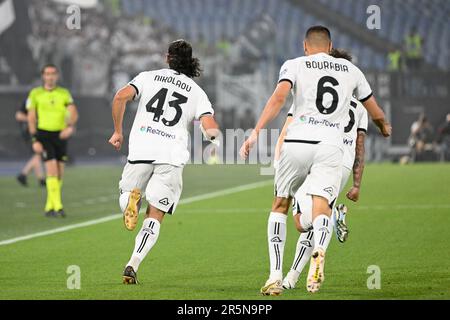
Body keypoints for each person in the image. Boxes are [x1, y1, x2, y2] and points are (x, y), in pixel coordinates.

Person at [240, 26, 391, 295]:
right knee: (323, 210)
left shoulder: (295, 65)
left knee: (280, 206)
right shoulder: (352, 72)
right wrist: (383, 125)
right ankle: (319, 250)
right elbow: (374, 109)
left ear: (305, 46)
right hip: (331, 148)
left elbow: (279, 98)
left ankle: (275, 276)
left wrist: (255, 132)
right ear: (330, 45)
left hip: (298, 143)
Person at [108, 39, 219, 284]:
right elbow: (209, 126)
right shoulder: (197, 92)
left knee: (127, 194)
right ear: (191, 61)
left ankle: (131, 202)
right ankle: (132, 263)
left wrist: (118, 131)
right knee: (156, 213)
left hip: (142, 149)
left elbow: (119, 97)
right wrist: (212, 136)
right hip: (170, 155)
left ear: (167, 57)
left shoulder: (148, 77)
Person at [278, 49, 369, 290]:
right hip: (342, 165)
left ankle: (293, 273)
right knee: (319, 219)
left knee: (300, 223)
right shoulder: (361, 108)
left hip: (316, 155)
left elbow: (288, 128)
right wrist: (357, 184)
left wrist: (280, 161)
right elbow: (360, 147)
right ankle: (294, 277)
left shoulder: (313, 93)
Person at [27, 64, 78, 217]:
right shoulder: (35, 93)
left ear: (57, 76)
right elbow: (31, 117)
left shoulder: (64, 93)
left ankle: (49, 207)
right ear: (43, 76)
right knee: (52, 169)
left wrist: (70, 127)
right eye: (47, 73)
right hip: (44, 135)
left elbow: (73, 112)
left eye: (53, 73)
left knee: (60, 173)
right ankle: (58, 206)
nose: (50, 76)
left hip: (60, 136)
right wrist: (34, 139)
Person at [15, 100, 46, 187]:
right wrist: (32, 119)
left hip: (37, 131)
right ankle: (23, 174)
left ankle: (41, 179)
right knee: (38, 153)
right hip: (30, 132)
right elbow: (18, 116)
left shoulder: (42, 101)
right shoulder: (29, 101)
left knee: (37, 155)